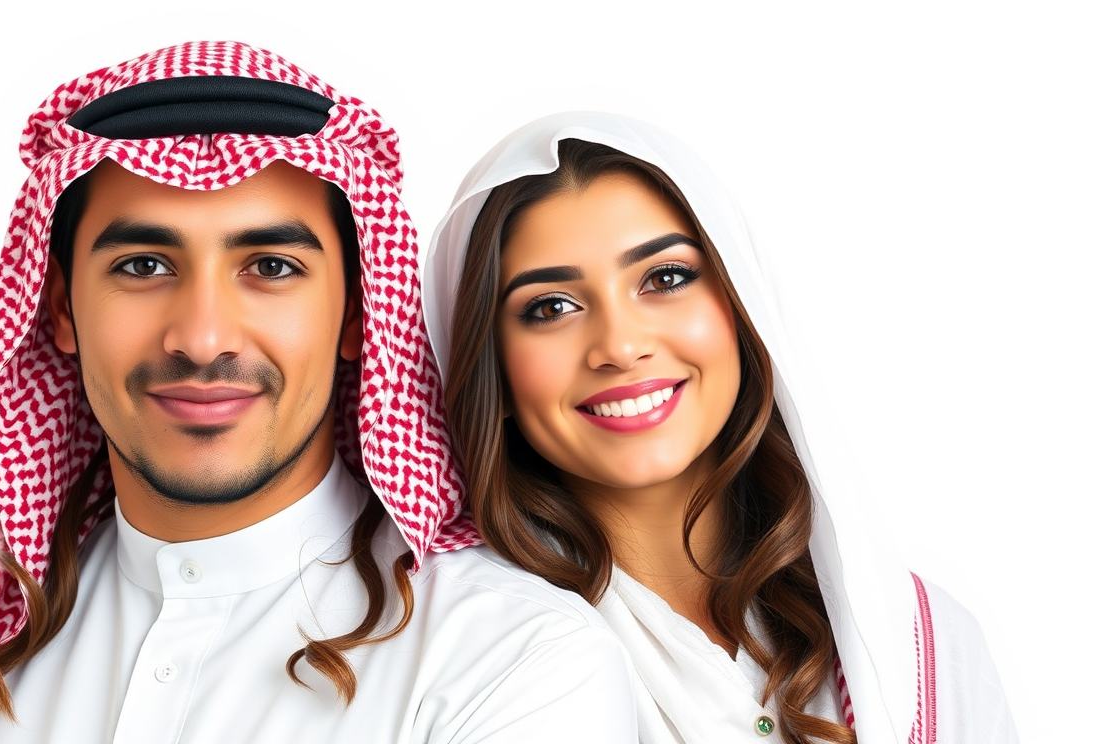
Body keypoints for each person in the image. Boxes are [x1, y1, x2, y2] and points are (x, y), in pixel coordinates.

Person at [0, 45, 636, 744]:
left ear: (360, 314)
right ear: (58, 310)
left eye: (270, 267)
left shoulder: (507, 662)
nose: (202, 336)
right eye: (144, 266)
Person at [421, 112, 1018, 744]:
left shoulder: (925, 643)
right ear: (492, 371)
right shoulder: (467, 650)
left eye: (665, 278)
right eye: (552, 308)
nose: (620, 346)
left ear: (740, 308)